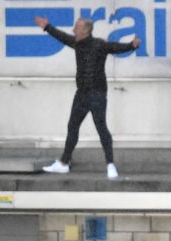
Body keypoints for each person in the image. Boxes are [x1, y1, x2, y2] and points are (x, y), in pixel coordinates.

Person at [34, 16, 141, 180]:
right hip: (82, 94)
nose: (73, 29)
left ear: (86, 30)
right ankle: (63, 163)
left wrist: (131, 46)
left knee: (101, 128)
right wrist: (47, 26)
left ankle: (110, 164)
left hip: (97, 94)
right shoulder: (77, 43)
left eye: (77, 27)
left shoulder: (99, 44)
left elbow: (115, 47)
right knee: (72, 126)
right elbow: (61, 36)